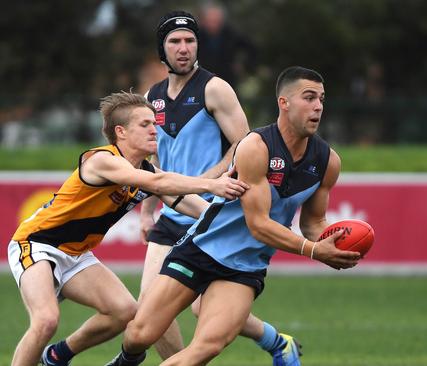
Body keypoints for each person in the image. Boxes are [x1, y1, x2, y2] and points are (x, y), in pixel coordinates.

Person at [106, 66, 361, 366]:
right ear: (284, 103)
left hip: (244, 268)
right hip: (200, 249)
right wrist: (315, 251)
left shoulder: (327, 161)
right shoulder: (256, 146)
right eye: (309, 97)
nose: (318, 106)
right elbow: (259, 225)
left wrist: (336, 243)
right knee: (138, 334)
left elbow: (313, 222)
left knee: (206, 347)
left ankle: (277, 343)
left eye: (321, 99)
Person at [6, 91, 249, 366]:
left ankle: (57, 355)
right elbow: (160, 184)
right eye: (145, 124)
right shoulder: (102, 160)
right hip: (37, 244)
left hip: (76, 254)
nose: (154, 129)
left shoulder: (145, 171)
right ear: (120, 132)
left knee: (123, 311)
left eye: (154, 123)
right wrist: (212, 184)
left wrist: (235, 223)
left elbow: (187, 203)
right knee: (46, 320)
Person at [137, 10, 301, 364]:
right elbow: (156, 162)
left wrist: (208, 182)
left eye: (190, 41)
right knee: (149, 313)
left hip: (209, 214)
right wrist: (148, 209)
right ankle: (271, 343)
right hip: (171, 213)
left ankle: (275, 342)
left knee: (201, 309)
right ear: (161, 50)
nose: (183, 49)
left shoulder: (215, 88)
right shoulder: (153, 97)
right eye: (175, 42)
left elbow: (247, 146)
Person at [197, 2, 257, 90]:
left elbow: (251, 48)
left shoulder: (231, 34)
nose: (213, 25)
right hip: (203, 78)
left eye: (216, 21)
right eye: (210, 21)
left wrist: (244, 66)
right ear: (204, 21)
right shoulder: (196, 36)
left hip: (227, 79)